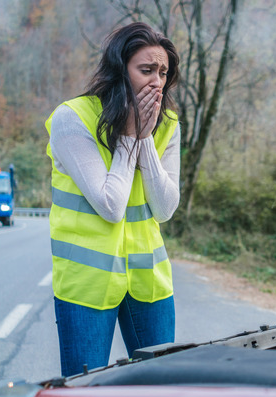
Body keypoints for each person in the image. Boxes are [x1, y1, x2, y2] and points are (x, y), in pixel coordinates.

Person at [45, 22, 181, 376]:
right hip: (87, 285)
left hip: (148, 280)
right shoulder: (72, 119)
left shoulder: (167, 125)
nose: (156, 82)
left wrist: (145, 139)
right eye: (146, 70)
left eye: (163, 72)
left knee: (160, 388)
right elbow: (110, 205)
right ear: (120, 70)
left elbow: (165, 209)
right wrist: (129, 136)